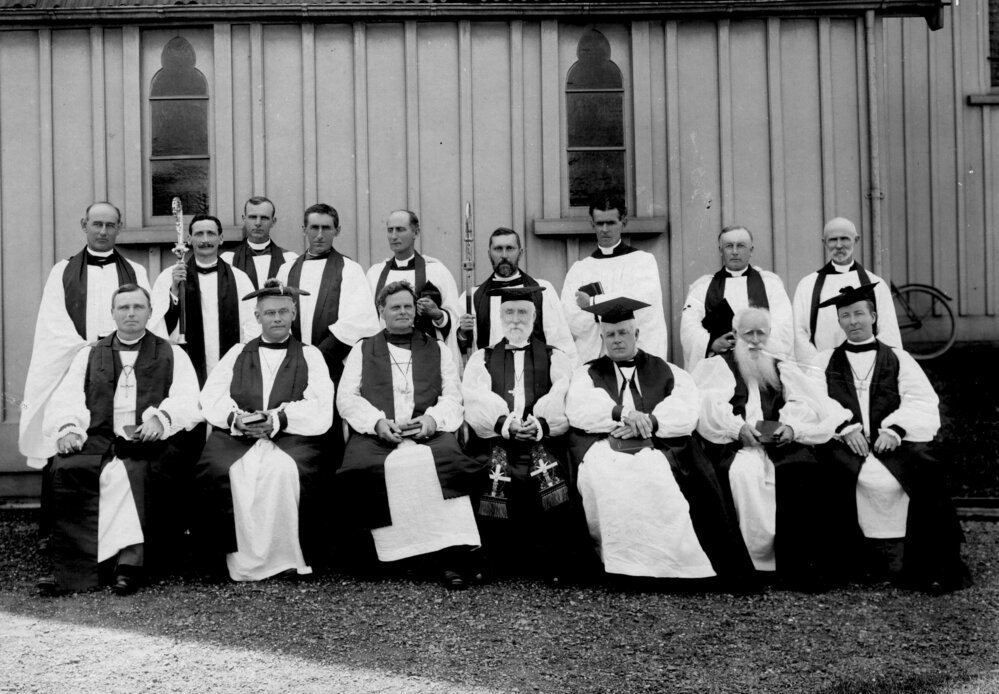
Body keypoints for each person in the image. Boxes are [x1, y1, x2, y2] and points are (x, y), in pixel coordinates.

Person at [565, 297, 754, 585]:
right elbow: (580, 407)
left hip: (658, 442)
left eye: (623, 333)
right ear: (602, 338)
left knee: (656, 474)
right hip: (607, 443)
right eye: (610, 335)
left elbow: (686, 407)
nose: (617, 340)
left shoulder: (667, 370)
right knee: (604, 473)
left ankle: (673, 567)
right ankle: (622, 567)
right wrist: (623, 415)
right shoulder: (588, 372)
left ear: (637, 334)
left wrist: (650, 422)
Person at [38, 284, 202, 595]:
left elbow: (189, 399)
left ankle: (129, 564)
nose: (130, 313)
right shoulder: (90, 353)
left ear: (150, 312)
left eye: (138, 307)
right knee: (66, 468)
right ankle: (74, 565)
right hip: (99, 435)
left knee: (134, 473)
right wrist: (69, 428)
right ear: (112, 313)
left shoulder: (172, 352)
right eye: (123, 307)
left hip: (150, 439)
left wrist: (161, 418)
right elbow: (68, 396)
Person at [811, 283, 971, 593]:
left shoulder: (899, 358)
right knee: (826, 475)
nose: (853, 321)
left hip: (891, 443)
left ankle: (932, 567)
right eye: (846, 316)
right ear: (839, 322)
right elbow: (811, 402)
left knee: (925, 469)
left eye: (859, 314)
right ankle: (846, 566)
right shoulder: (823, 361)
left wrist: (896, 429)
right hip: (845, 443)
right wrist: (845, 427)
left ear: (873, 315)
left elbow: (922, 400)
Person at [336, 281, 486, 590]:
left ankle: (450, 557)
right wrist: (377, 422)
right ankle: (390, 558)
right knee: (363, 469)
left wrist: (432, 419)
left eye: (407, 306)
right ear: (382, 311)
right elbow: (347, 398)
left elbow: (452, 396)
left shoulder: (437, 347)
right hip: (377, 433)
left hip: (426, 431)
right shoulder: (363, 348)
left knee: (446, 462)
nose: (402, 312)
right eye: (395, 307)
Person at [691, 307, 851, 587]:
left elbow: (805, 401)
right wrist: (736, 428)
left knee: (802, 470)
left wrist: (791, 427)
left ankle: (793, 566)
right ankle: (748, 566)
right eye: (748, 333)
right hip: (734, 443)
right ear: (737, 335)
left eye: (760, 333)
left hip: (777, 443)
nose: (754, 340)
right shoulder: (718, 365)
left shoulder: (780, 365)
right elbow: (707, 406)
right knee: (743, 475)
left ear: (769, 335)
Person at [195, 279, 334, 582]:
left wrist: (279, 419)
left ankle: (287, 559)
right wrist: (236, 419)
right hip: (238, 434)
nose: (277, 319)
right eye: (269, 313)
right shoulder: (237, 353)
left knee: (283, 471)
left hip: (290, 435)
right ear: (257, 317)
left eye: (284, 312)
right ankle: (236, 563)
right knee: (225, 471)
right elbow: (211, 396)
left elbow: (321, 405)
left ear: (294, 315)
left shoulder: (310, 355)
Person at [20, 201, 151, 470]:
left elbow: (146, 316)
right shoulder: (62, 271)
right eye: (97, 224)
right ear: (84, 226)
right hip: (78, 361)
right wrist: (87, 349)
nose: (103, 231)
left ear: (119, 228)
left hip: (123, 362)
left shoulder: (136, 271)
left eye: (110, 225)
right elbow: (52, 323)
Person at [461, 286, 575, 582]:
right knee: (492, 472)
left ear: (534, 317)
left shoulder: (554, 357)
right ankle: (495, 561)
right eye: (509, 312)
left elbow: (564, 398)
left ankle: (551, 562)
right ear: (500, 317)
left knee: (550, 473)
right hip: (497, 437)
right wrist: (504, 423)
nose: (515, 319)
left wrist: (539, 425)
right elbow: (475, 401)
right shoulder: (482, 358)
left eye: (522, 312)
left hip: (542, 438)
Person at [150, 214, 260, 386]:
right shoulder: (169, 277)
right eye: (199, 234)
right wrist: (174, 290)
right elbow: (157, 326)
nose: (205, 240)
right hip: (185, 363)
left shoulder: (239, 279)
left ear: (221, 238)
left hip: (228, 362)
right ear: (189, 239)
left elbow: (253, 326)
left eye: (211, 233)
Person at [277, 203, 380, 383]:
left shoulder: (349, 269)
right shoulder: (287, 270)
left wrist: (317, 358)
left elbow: (358, 320)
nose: (319, 235)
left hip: (332, 363)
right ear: (304, 230)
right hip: (291, 363)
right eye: (314, 228)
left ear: (337, 231)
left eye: (326, 228)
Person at [560, 193, 668, 363]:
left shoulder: (642, 261)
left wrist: (592, 304)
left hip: (636, 355)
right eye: (599, 223)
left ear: (623, 222)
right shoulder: (580, 269)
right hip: (595, 358)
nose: (604, 229)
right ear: (592, 224)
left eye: (610, 223)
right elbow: (570, 316)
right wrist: (608, 310)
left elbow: (641, 303)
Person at [680, 225, 793, 370]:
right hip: (718, 365)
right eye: (729, 246)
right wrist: (712, 343)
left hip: (759, 363)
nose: (734, 252)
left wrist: (754, 341)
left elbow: (783, 326)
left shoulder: (770, 284)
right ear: (721, 251)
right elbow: (689, 327)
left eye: (740, 246)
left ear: (751, 250)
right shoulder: (702, 287)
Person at [791, 217, 901, 363]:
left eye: (845, 239)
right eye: (832, 240)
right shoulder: (807, 285)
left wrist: (872, 365)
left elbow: (888, 332)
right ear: (824, 243)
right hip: (822, 369)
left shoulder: (876, 284)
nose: (838, 245)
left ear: (856, 240)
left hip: (868, 366)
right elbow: (799, 333)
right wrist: (817, 366)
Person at [458, 227, 576, 362]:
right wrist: (462, 333)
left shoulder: (542, 291)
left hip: (534, 374)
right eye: (498, 249)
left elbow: (560, 341)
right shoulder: (473, 296)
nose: (504, 255)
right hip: (491, 376)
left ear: (520, 253)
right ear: (489, 253)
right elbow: (463, 349)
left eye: (509, 248)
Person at [366, 209, 462, 362]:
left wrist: (437, 314)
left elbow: (455, 319)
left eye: (400, 230)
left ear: (415, 233)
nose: (394, 236)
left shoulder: (436, 271)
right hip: (384, 355)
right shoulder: (375, 273)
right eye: (390, 230)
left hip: (425, 355)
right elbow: (367, 318)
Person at [220, 196, 298, 289]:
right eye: (253, 217)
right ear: (244, 219)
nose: (258, 223)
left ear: (273, 222)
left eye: (264, 218)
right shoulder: (228, 259)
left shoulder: (290, 259)